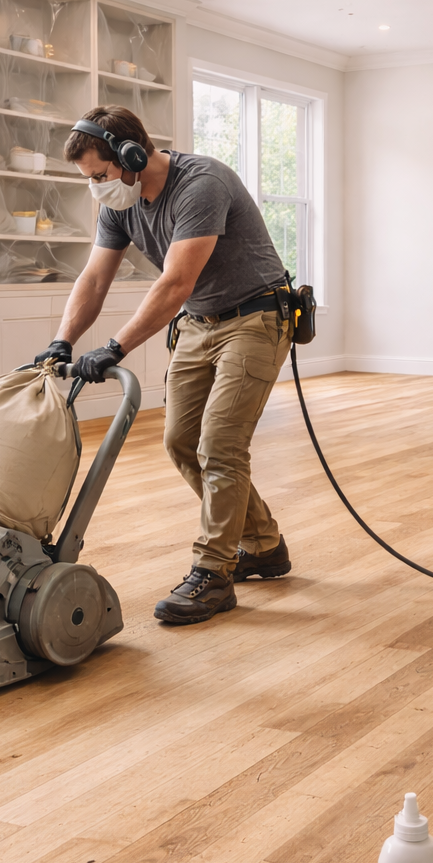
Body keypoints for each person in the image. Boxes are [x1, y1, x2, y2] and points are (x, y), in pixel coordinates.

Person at [34, 106, 293, 625]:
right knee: (181, 442)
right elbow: (94, 279)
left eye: (100, 175)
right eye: (89, 179)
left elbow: (176, 282)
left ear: (131, 155)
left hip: (255, 317)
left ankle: (214, 572)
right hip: (198, 323)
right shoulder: (121, 203)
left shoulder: (201, 184)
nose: (97, 188)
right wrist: (63, 341)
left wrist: (115, 347)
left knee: (220, 445)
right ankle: (263, 544)